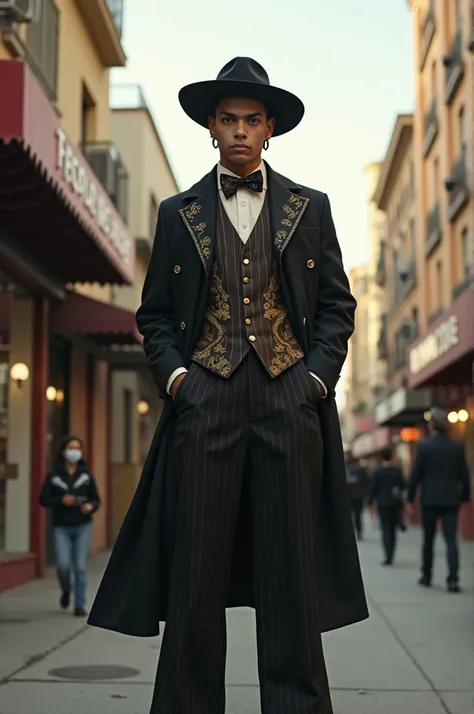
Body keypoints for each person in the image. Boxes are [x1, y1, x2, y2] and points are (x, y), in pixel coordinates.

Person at [88, 57, 368, 714]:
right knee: (194, 583)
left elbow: (338, 306)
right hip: (205, 403)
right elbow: (154, 314)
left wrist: (317, 381)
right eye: (228, 119)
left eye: (251, 119)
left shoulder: (312, 208)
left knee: (290, 584)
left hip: (286, 401)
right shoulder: (176, 212)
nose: (239, 130)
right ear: (211, 127)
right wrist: (180, 379)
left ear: (269, 128)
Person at [407, 407, 471, 592]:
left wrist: (410, 498)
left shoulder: (424, 447)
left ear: (432, 425)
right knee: (451, 539)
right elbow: (464, 475)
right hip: (451, 500)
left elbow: (416, 475)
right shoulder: (457, 447)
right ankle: (453, 579)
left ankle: (427, 576)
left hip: (430, 500)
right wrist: (465, 497)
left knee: (428, 540)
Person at [39, 435, 100, 616]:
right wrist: (60, 500)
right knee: (64, 566)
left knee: (80, 566)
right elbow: (43, 499)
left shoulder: (86, 476)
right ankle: (66, 590)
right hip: (61, 527)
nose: (74, 452)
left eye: (78, 448)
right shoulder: (54, 476)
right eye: (71, 448)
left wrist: (90, 506)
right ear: (64, 451)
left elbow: (96, 499)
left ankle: (79, 604)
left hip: (83, 526)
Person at [368, 447, 406, 565]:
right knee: (393, 529)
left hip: (382, 503)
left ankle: (387, 555)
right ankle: (392, 553)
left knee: (385, 529)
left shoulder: (378, 472)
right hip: (394, 503)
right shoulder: (397, 471)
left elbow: (374, 488)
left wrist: (370, 501)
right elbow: (403, 486)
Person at [345, 456, 369, 540]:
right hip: (359, 496)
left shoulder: (345, 470)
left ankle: (350, 532)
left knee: (348, 515)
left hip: (348, 496)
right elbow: (366, 482)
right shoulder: (361, 470)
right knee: (358, 515)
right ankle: (359, 531)